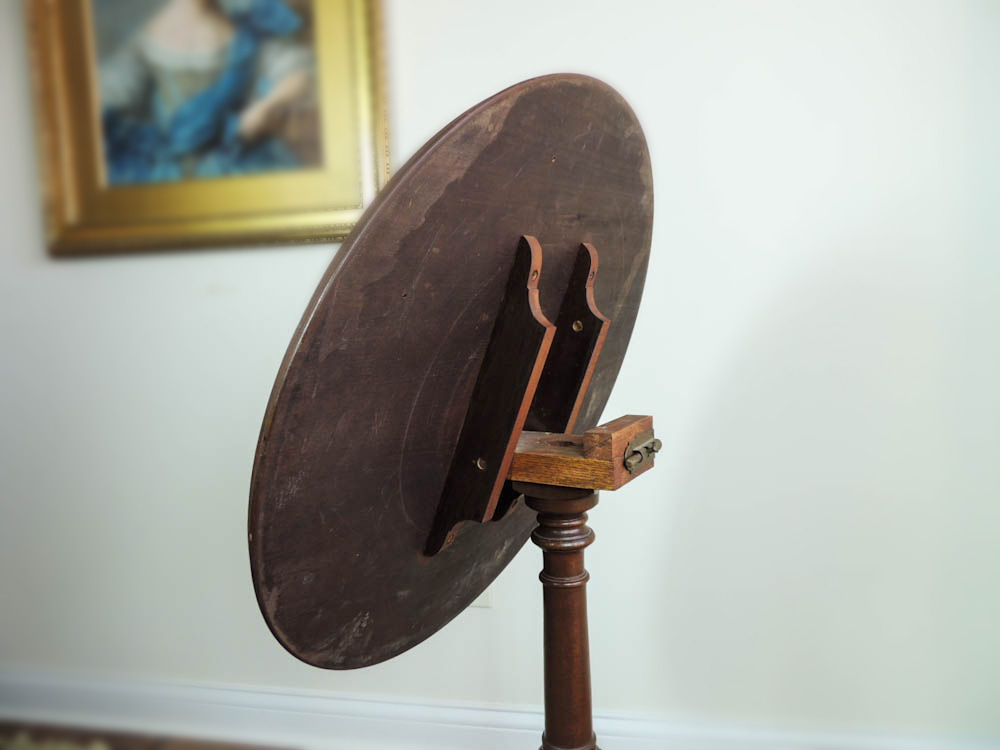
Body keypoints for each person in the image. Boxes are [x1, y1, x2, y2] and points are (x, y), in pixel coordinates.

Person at [99, 0, 314, 185]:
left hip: (236, 157)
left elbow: (298, 73)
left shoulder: (246, 35)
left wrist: (262, 110)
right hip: (168, 169)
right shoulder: (148, 38)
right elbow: (109, 94)